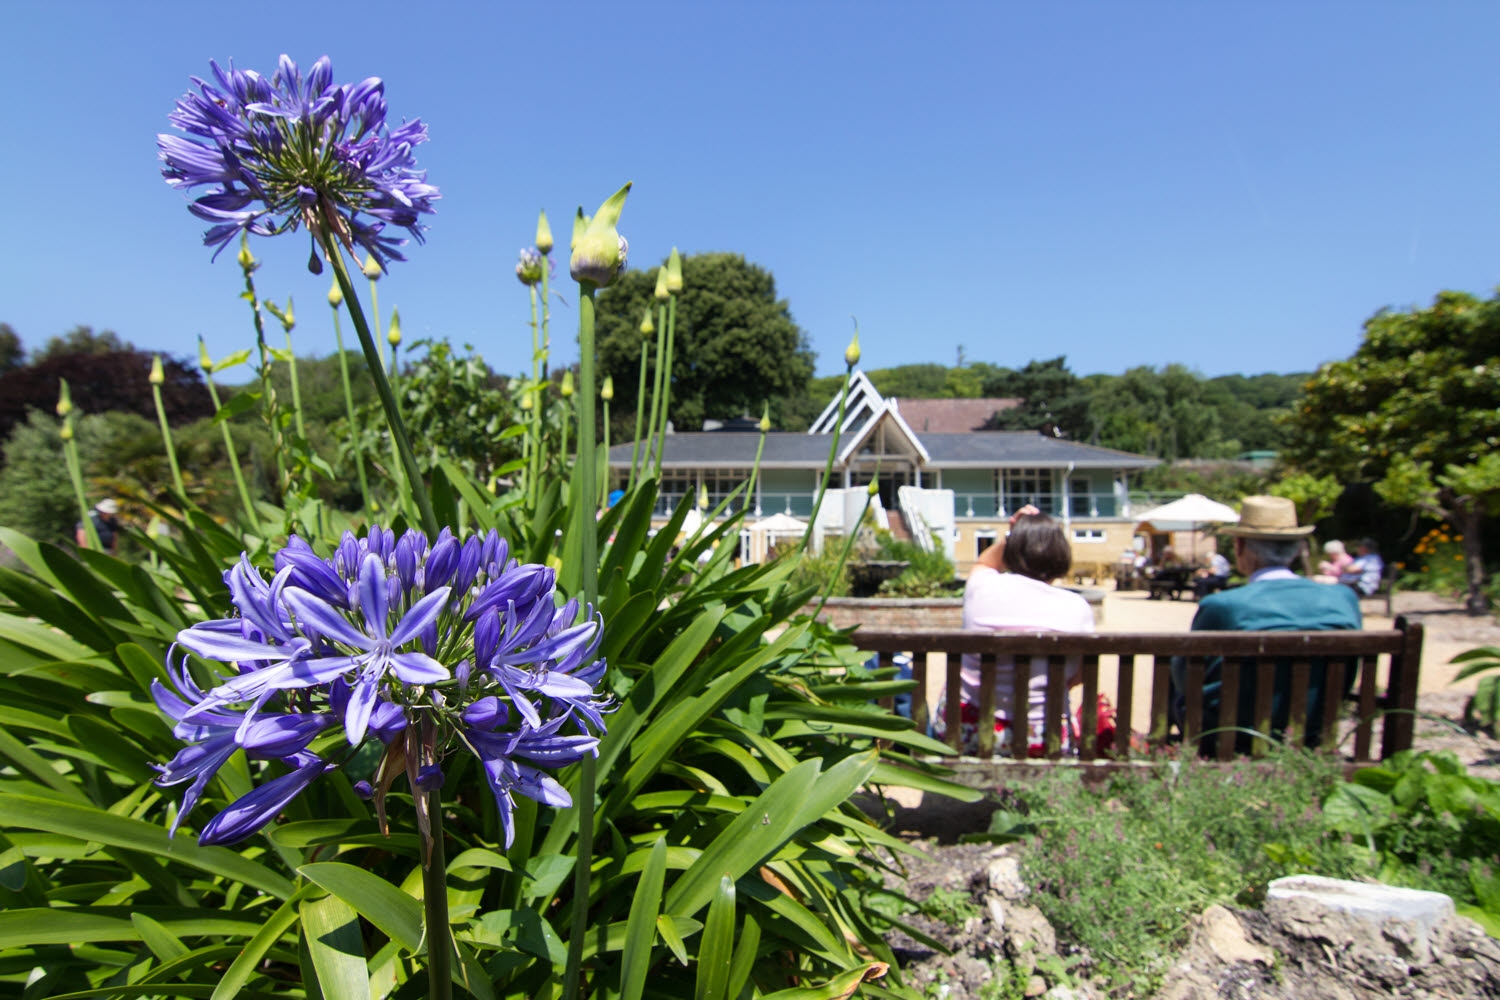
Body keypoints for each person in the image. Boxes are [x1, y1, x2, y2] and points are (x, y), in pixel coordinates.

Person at [1172, 496, 1361, 751]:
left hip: (1231, 740)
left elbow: (1188, 679)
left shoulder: (1223, 607)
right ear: (1296, 549)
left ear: (1240, 547)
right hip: (1312, 733)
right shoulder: (1343, 599)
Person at [937, 505, 1096, 756]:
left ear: (1012, 551)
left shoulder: (981, 589)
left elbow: (985, 562)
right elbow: (1078, 675)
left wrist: (1013, 534)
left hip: (968, 731)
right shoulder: (1078, 609)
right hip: (1043, 735)